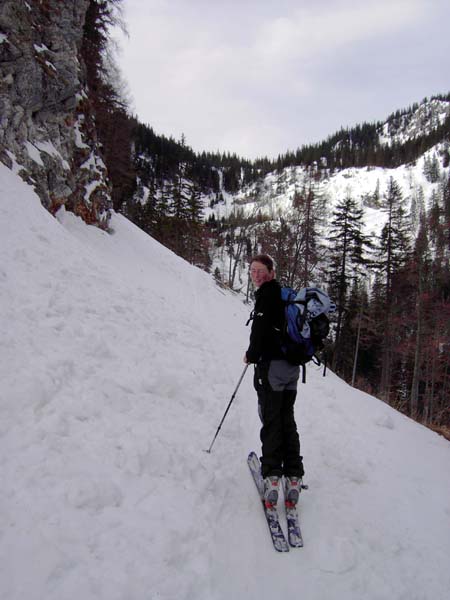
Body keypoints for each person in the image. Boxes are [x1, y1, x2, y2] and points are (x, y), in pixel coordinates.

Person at [244, 254, 304, 508]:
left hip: (273, 369)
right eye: (252, 271)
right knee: (286, 419)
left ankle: (271, 477)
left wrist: (251, 355)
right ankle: (293, 476)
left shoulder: (266, 296)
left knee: (272, 421)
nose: (255, 275)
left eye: (260, 270)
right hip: (292, 368)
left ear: (271, 271)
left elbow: (258, 333)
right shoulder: (283, 294)